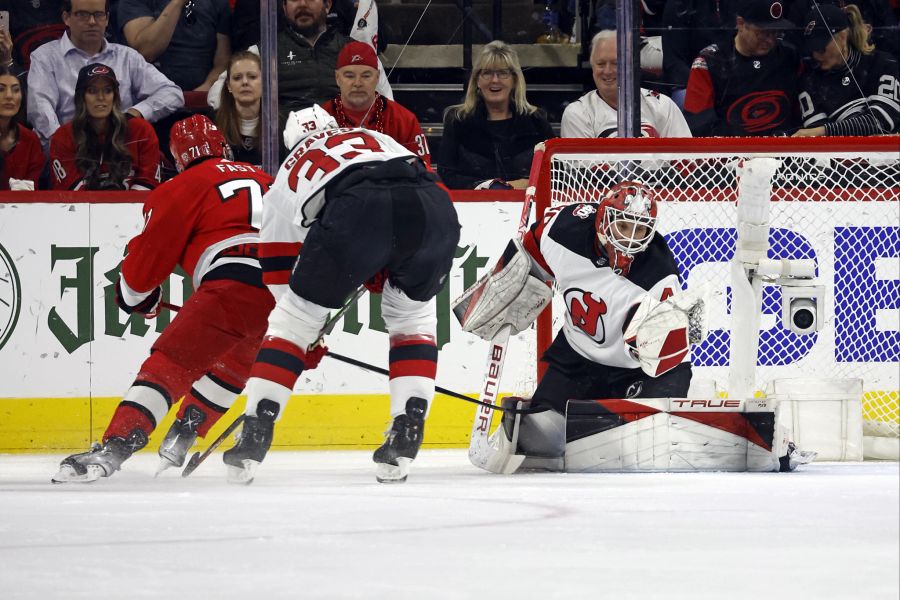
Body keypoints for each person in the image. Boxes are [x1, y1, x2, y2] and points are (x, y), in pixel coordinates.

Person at [221, 105, 460, 484]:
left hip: (358, 207)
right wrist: (386, 255)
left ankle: (254, 432)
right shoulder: (376, 138)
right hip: (435, 208)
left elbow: (279, 269)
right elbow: (414, 186)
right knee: (411, 319)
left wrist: (306, 333)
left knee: (293, 320)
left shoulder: (287, 172)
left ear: (290, 144)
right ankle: (407, 429)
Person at [52, 114, 276, 483]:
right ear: (224, 145)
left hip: (231, 283)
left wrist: (137, 298)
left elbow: (142, 271)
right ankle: (186, 431)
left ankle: (117, 445)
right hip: (285, 289)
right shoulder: (268, 179)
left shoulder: (181, 185)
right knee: (237, 359)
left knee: (172, 362)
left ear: (177, 157)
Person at [456, 182, 696, 470]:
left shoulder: (659, 274)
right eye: (624, 226)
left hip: (634, 372)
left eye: (641, 230)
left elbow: (669, 353)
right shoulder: (562, 232)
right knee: (539, 441)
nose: (632, 239)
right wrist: (508, 283)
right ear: (604, 220)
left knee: (643, 450)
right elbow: (529, 252)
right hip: (578, 358)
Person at [26, 0, 183, 149]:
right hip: (67, 152)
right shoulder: (44, 57)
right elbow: (40, 111)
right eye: (83, 14)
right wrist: (65, 144)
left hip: (120, 152)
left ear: (107, 19)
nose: (92, 22)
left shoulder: (127, 57)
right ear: (66, 18)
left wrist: (134, 114)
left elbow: (172, 93)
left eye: (99, 14)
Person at [438, 40, 553, 190]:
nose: (495, 80)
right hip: (474, 208)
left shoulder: (536, 121)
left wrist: (524, 184)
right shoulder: (457, 121)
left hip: (525, 206)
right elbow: (446, 176)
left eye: (503, 73)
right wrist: (488, 187)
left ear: (514, 80)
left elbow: (557, 173)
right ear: (477, 80)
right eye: (487, 73)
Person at [683, 0, 801, 136]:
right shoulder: (710, 62)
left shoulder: (790, 56)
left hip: (784, 149)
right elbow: (699, 125)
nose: (770, 40)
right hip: (731, 151)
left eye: (775, 33)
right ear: (740, 24)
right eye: (762, 33)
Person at [561, 30, 692, 138]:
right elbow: (583, 168)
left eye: (616, 63)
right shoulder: (577, 113)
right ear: (592, 67)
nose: (607, 71)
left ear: (632, 66)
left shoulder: (663, 106)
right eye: (600, 64)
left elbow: (686, 162)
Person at [794, 3, 899, 137]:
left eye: (821, 48)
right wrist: (821, 132)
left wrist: (825, 130)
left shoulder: (882, 64)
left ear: (843, 36)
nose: (816, 55)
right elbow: (819, 143)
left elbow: (881, 122)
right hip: (837, 157)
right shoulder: (808, 81)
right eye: (812, 49)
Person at [49, 63, 161, 190]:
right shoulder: (64, 136)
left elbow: (148, 186)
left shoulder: (141, 130)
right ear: (82, 97)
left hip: (133, 209)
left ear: (115, 96)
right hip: (82, 209)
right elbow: (71, 196)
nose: (101, 97)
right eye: (92, 91)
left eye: (107, 90)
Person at [322, 41, 429, 165]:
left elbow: (423, 170)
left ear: (377, 77)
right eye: (349, 76)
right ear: (337, 78)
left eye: (366, 76)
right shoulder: (321, 118)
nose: (357, 83)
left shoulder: (403, 119)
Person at [118, 0, 232, 92]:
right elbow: (146, 51)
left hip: (204, 96)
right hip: (151, 95)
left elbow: (223, 60)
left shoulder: (218, 3)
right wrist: (177, 2)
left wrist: (208, 86)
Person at [662, 0, 739, 108]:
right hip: (690, 81)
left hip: (730, 80)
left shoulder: (737, 5)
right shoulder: (679, 4)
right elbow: (673, 60)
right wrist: (700, 85)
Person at [215, 50, 262, 165]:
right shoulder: (213, 124)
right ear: (229, 86)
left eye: (252, 77)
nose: (245, 82)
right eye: (237, 78)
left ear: (265, 82)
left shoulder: (284, 124)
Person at [0, 64, 43, 190]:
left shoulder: (30, 139)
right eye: (1, 89)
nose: (9, 96)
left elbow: (32, 189)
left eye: (16, 89)